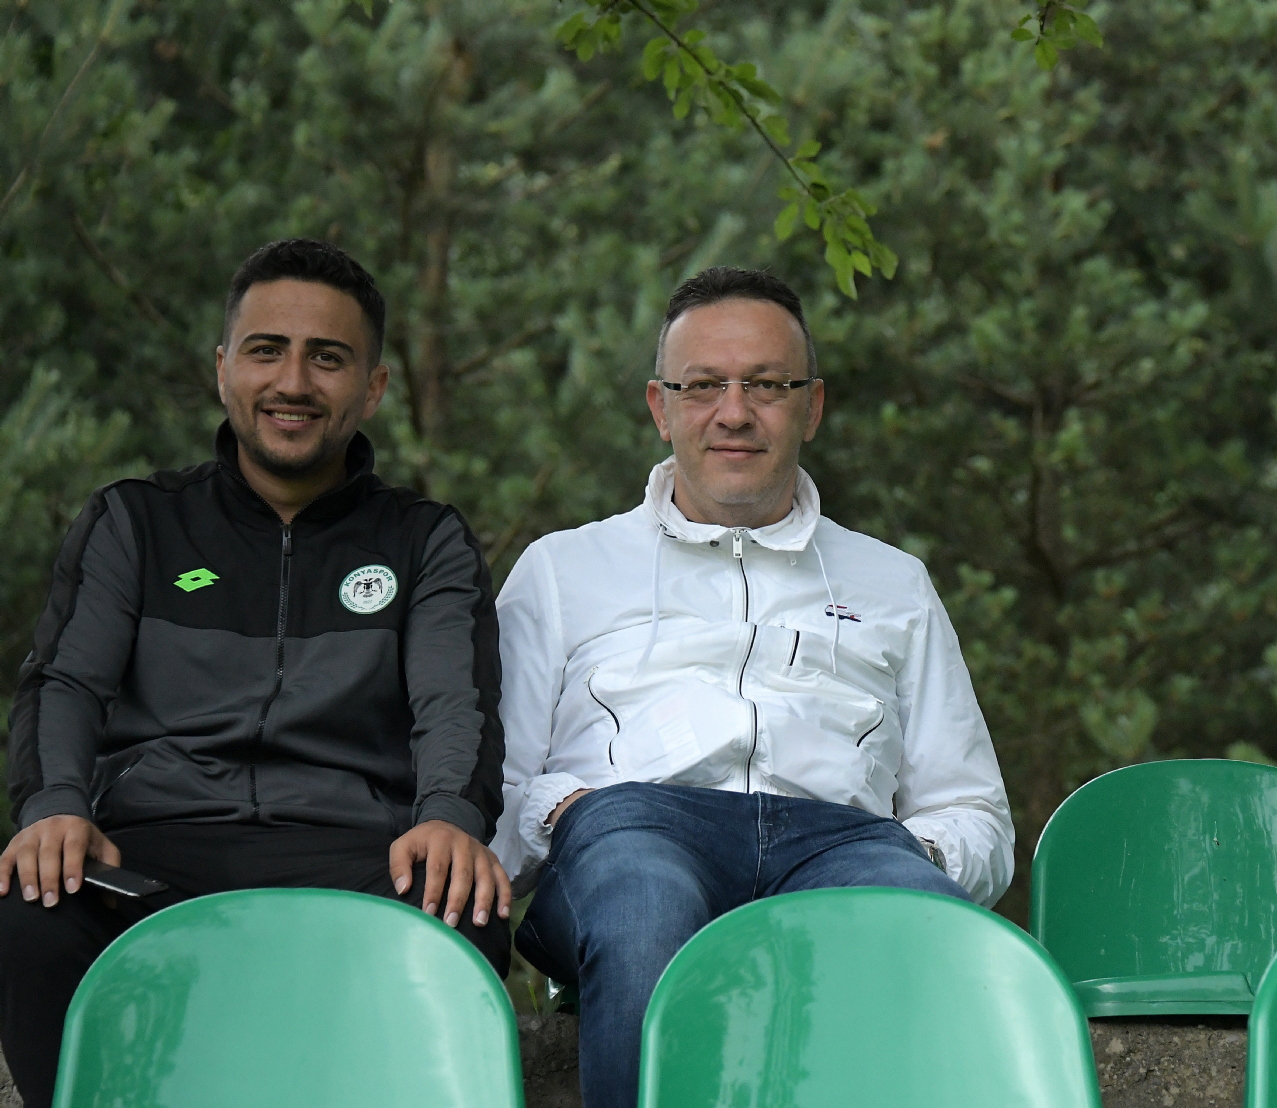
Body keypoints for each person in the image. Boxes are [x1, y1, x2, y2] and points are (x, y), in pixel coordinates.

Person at [0, 239, 512, 1108]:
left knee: (465, 905)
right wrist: (54, 807)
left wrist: (448, 817)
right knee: (33, 906)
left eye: (328, 358)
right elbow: (65, 683)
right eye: (267, 350)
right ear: (223, 369)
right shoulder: (136, 522)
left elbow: (453, 703)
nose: (293, 382)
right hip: (152, 849)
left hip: (351, 851)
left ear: (373, 387)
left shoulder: (425, 541)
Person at [494, 265, 1014, 1108]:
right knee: (642, 909)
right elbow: (496, 785)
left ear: (813, 405)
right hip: (635, 832)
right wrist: (565, 811)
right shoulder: (563, 569)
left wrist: (909, 856)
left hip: (839, 848)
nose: (734, 412)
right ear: (660, 407)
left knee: (925, 922)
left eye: (767, 385)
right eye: (703, 385)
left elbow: (974, 811)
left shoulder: (894, 583)